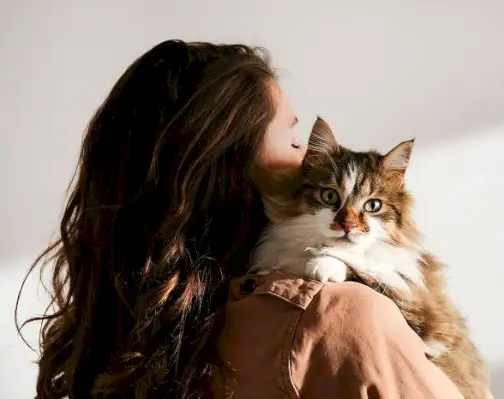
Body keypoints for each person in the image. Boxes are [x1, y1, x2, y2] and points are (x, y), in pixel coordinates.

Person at [17, 39, 478, 398]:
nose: (307, 162)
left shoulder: (123, 332)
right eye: (296, 142)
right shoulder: (339, 315)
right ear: (230, 167)